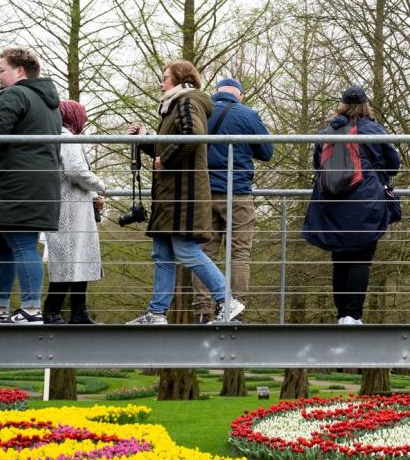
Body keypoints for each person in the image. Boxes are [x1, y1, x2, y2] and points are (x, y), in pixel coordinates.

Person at [126, 60, 243, 325]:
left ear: (180, 79)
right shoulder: (174, 105)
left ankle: (227, 300)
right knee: (162, 252)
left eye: (165, 77)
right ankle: (156, 313)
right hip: (171, 193)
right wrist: (146, 138)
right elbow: (165, 150)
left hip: (183, 193)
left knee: (186, 249)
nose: (161, 82)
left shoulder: (187, 101)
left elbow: (193, 135)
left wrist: (165, 159)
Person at [0, 47, 62, 325]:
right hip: (25, 182)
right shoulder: (49, 104)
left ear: (20, 71)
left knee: (20, 244)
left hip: (15, 182)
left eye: (2, 69)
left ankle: (30, 309)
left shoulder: (15, 94)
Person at [301, 86, 401, 325]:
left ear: (342, 105)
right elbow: (393, 164)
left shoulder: (328, 132)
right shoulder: (374, 130)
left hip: (333, 204)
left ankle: (341, 314)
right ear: (366, 105)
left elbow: (319, 165)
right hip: (365, 202)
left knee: (340, 260)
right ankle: (352, 316)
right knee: (360, 259)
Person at [191, 77, 274, 323]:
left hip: (204, 193)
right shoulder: (248, 115)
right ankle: (235, 308)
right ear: (241, 95)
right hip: (236, 192)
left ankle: (203, 311)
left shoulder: (200, 112)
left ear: (215, 92)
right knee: (239, 253)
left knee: (204, 252)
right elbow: (267, 152)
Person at [43, 100, 105, 324]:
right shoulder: (67, 137)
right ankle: (52, 309)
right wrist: (100, 184)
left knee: (78, 258)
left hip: (74, 206)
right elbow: (75, 170)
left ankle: (79, 311)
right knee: (69, 257)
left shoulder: (59, 135)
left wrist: (92, 196)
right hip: (69, 209)